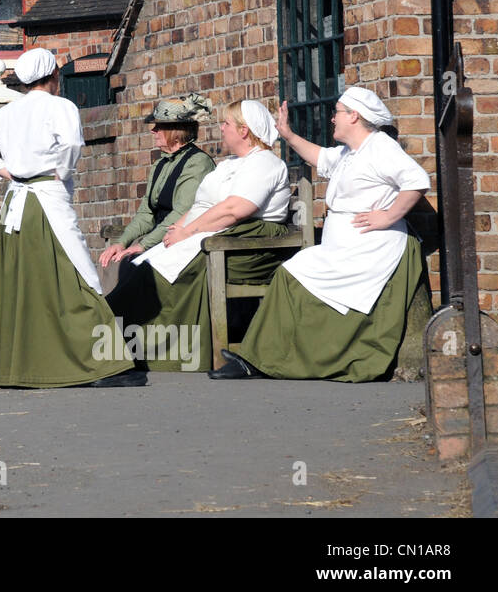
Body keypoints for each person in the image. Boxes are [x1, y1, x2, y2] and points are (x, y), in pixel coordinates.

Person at [211, 88, 431, 382]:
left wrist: (390, 215)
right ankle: (262, 357)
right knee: (292, 273)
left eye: (337, 111)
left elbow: (417, 180)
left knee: (291, 274)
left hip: (370, 249)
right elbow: (319, 157)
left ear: (354, 116)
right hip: (344, 249)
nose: (332, 119)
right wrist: (287, 135)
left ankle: (259, 359)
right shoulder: (349, 153)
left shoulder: (380, 147)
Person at [0, 48, 145, 388]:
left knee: (27, 287)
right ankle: (101, 364)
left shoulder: (8, 113)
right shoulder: (61, 107)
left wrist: (7, 172)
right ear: (53, 77)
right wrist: (61, 172)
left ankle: (21, 366)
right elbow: (72, 145)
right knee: (78, 277)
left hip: (16, 208)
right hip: (47, 200)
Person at [124, 100, 292, 371]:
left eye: (226, 124)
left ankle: (154, 351)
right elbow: (199, 204)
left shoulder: (264, 163)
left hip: (241, 241)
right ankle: (122, 341)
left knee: (160, 276)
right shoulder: (230, 164)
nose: (221, 128)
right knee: (140, 266)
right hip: (209, 232)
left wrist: (188, 231)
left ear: (244, 131)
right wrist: (176, 229)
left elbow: (234, 209)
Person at [101, 94, 216, 346]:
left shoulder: (198, 163)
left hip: (181, 236)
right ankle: (112, 334)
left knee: (135, 265)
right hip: (159, 235)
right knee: (112, 261)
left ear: (176, 130)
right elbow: (146, 213)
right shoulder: (160, 164)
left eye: (159, 126)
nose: (153, 130)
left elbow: (180, 214)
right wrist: (122, 242)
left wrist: (143, 245)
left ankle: (117, 338)